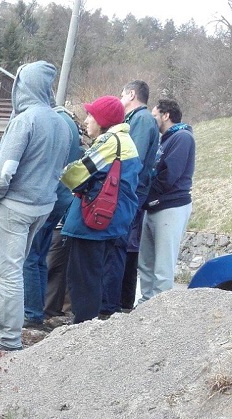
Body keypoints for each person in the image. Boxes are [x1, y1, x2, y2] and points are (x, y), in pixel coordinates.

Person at [0, 61, 72, 351]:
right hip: (42, 206)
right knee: (16, 269)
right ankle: (4, 327)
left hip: (13, 206)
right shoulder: (61, 121)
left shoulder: (25, 120)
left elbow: (5, 169)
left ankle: (7, 337)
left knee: (7, 273)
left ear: (24, 86)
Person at [60, 96, 141, 324]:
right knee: (94, 276)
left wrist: (65, 170)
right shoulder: (125, 141)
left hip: (92, 223)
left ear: (103, 120)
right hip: (110, 222)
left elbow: (75, 176)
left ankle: (83, 329)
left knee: (83, 279)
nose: (87, 120)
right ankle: (89, 326)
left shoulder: (110, 141)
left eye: (91, 115)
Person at [22, 106, 82, 329]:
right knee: (39, 258)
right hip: (62, 196)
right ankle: (37, 311)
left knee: (30, 257)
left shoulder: (53, 122)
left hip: (48, 196)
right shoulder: (69, 124)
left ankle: (32, 313)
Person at [103, 80, 160, 312]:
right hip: (129, 192)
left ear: (132, 94)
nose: (120, 98)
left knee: (118, 245)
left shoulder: (142, 120)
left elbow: (131, 160)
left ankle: (110, 305)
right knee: (117, 246)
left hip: (129, 193)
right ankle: (111, 303)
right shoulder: (138, 120)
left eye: (122, 94)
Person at [138, 98, 196, 301]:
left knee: (163, 264)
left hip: (170, 206)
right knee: (145, 261)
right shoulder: (165, 140)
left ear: (166, 115)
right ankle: (145, 304)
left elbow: (170, 174)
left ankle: (159, 310)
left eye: (155, 115)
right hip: (153, 206)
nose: (152, 120)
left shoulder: (182, 137)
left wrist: (147, 195)